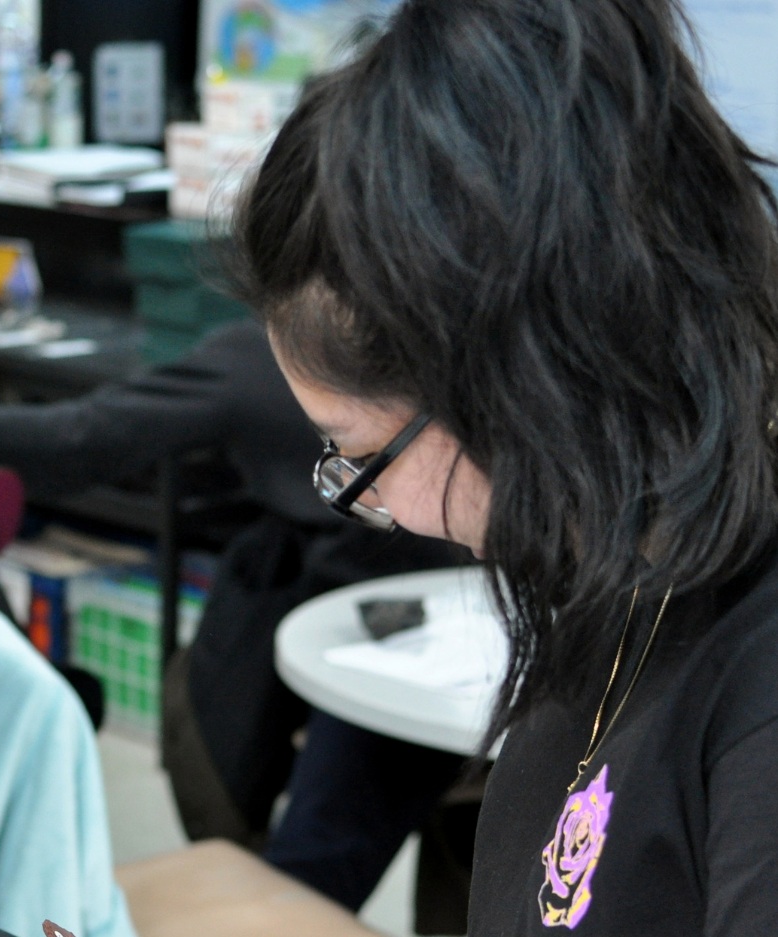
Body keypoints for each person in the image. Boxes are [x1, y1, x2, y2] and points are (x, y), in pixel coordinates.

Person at [233, 0, 778, 932]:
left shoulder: (752, 684)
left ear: (515, 385)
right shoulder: (628, 579)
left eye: (360, 458)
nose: (384, 509)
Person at [0, 320, 467, 911]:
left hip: (439, 635)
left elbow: (77, 438)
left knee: (326, 858)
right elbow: (77, 439)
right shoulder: (290, 356)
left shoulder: (270, 356)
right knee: (308, 830)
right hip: (391, 618)